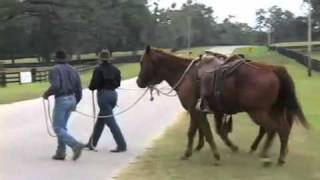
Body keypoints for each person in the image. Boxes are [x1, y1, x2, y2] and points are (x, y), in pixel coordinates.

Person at [43, 50, 84, 161]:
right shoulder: (73, 69)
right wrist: (76, 101)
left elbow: (56, 86)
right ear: (66, 58)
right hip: (72, 98)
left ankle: (75, 145)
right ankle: (60, 152)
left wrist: (46, 94)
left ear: (56, 58)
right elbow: (79, 88)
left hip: (62, 99)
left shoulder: (54, 69)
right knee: (62, 127)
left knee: (57, 128)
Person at [85, 49, 127, 153]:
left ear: (100, 59)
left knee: (110, 121)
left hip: (103, 95)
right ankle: (92, 142)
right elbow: (118, 84)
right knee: (101, 120)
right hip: (113, 94)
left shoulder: (98, 70)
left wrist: (92, 87)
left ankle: (121, 144)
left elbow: (93, 85)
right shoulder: (116, 70)